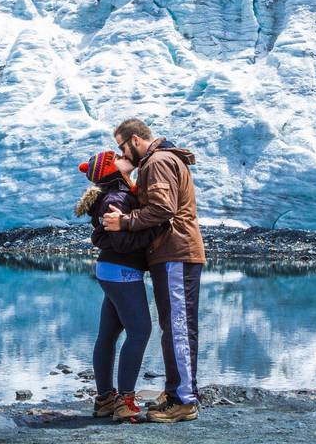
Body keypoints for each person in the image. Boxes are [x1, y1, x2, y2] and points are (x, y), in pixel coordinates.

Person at [103, 119, 205, 423]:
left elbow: (163, 209)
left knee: (178, 327)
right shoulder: (161, 160)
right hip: (172, 253)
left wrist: (125, 222)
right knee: (176, 325)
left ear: (135, 140)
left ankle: (184, 400)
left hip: (176, 252)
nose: (120, 152)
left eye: (121, 146)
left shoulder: (157, 162)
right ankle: (176, 391)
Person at [75, 149, 162, 423]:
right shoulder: (119, 197)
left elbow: (109, 237)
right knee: (140, 332)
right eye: (119, 158)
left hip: (110, 270)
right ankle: (125, 401)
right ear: (114, 170)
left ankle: (104, 399)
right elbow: (122, 242)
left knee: (109, 334)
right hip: (122, 270)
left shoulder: (115, 194)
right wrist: (156, 228)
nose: (126, 157)